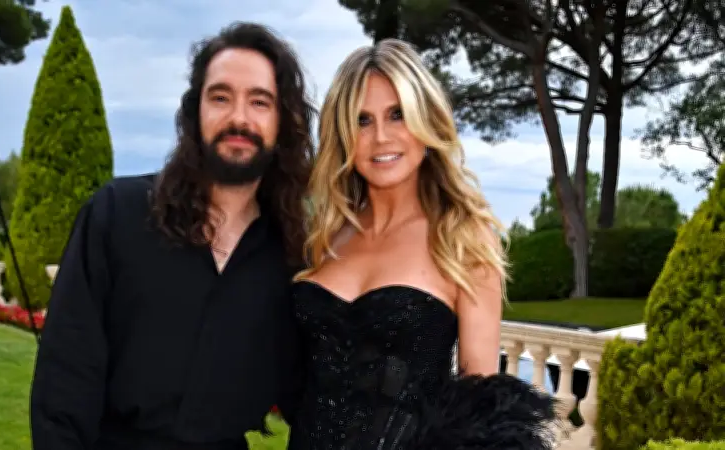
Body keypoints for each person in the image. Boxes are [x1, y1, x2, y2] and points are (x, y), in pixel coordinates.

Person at [29, 22, 315, 450]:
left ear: (283, 122)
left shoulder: (290, 257)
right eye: (221, 97)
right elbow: (63, 382)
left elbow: (312, 398)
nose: (239, 118)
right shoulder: (117, 215)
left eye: (260, 102)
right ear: (195, 111)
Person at [287, 39, 558, 449]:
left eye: (397, 115)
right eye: (362, 121)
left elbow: (480, 413)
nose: (381, 137)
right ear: (343, 135)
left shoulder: (462, 237)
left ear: (425, 119)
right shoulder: (323, 237)